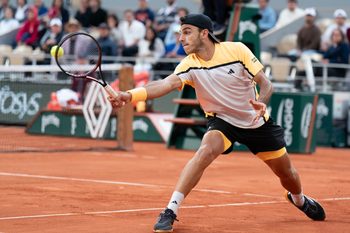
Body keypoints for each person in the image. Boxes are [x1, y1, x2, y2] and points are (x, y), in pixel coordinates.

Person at [107, 13, 326, 232]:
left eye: (186, 32)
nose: (180, 39)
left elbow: (266, 83)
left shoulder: (236, 50)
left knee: (287, 174)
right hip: (222, 121)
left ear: (204, 33)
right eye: (179, 33)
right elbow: (165, 84)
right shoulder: (188, 64)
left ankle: (299, 200)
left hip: (255, 122)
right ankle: (170, 210)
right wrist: (129, 95)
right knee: (205, 151)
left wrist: (261, 102)